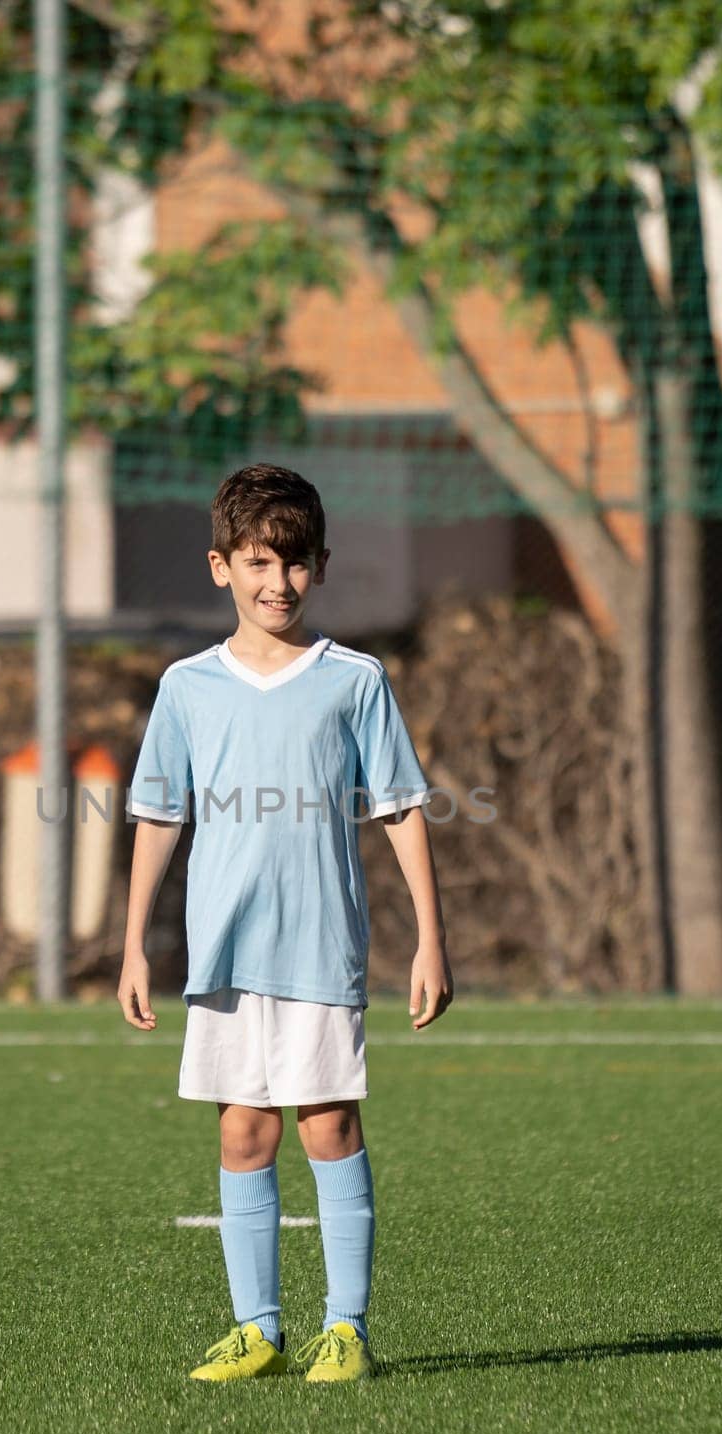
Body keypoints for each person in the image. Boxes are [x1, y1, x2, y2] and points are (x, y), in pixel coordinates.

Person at [117, 462, 453, 1382]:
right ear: (220, 565)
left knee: (328, 1127)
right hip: (224, 951)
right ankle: (257, 1331)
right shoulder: (187, 686)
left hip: (319, 944)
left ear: (321, 566)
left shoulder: (354, 680)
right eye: (260, 562)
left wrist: (430, 937)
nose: (278, 583)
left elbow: (398, 807)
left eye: (296, 563)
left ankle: (345, 1328)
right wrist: (135, 944)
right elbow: (159, 815)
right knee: (242, 1134)